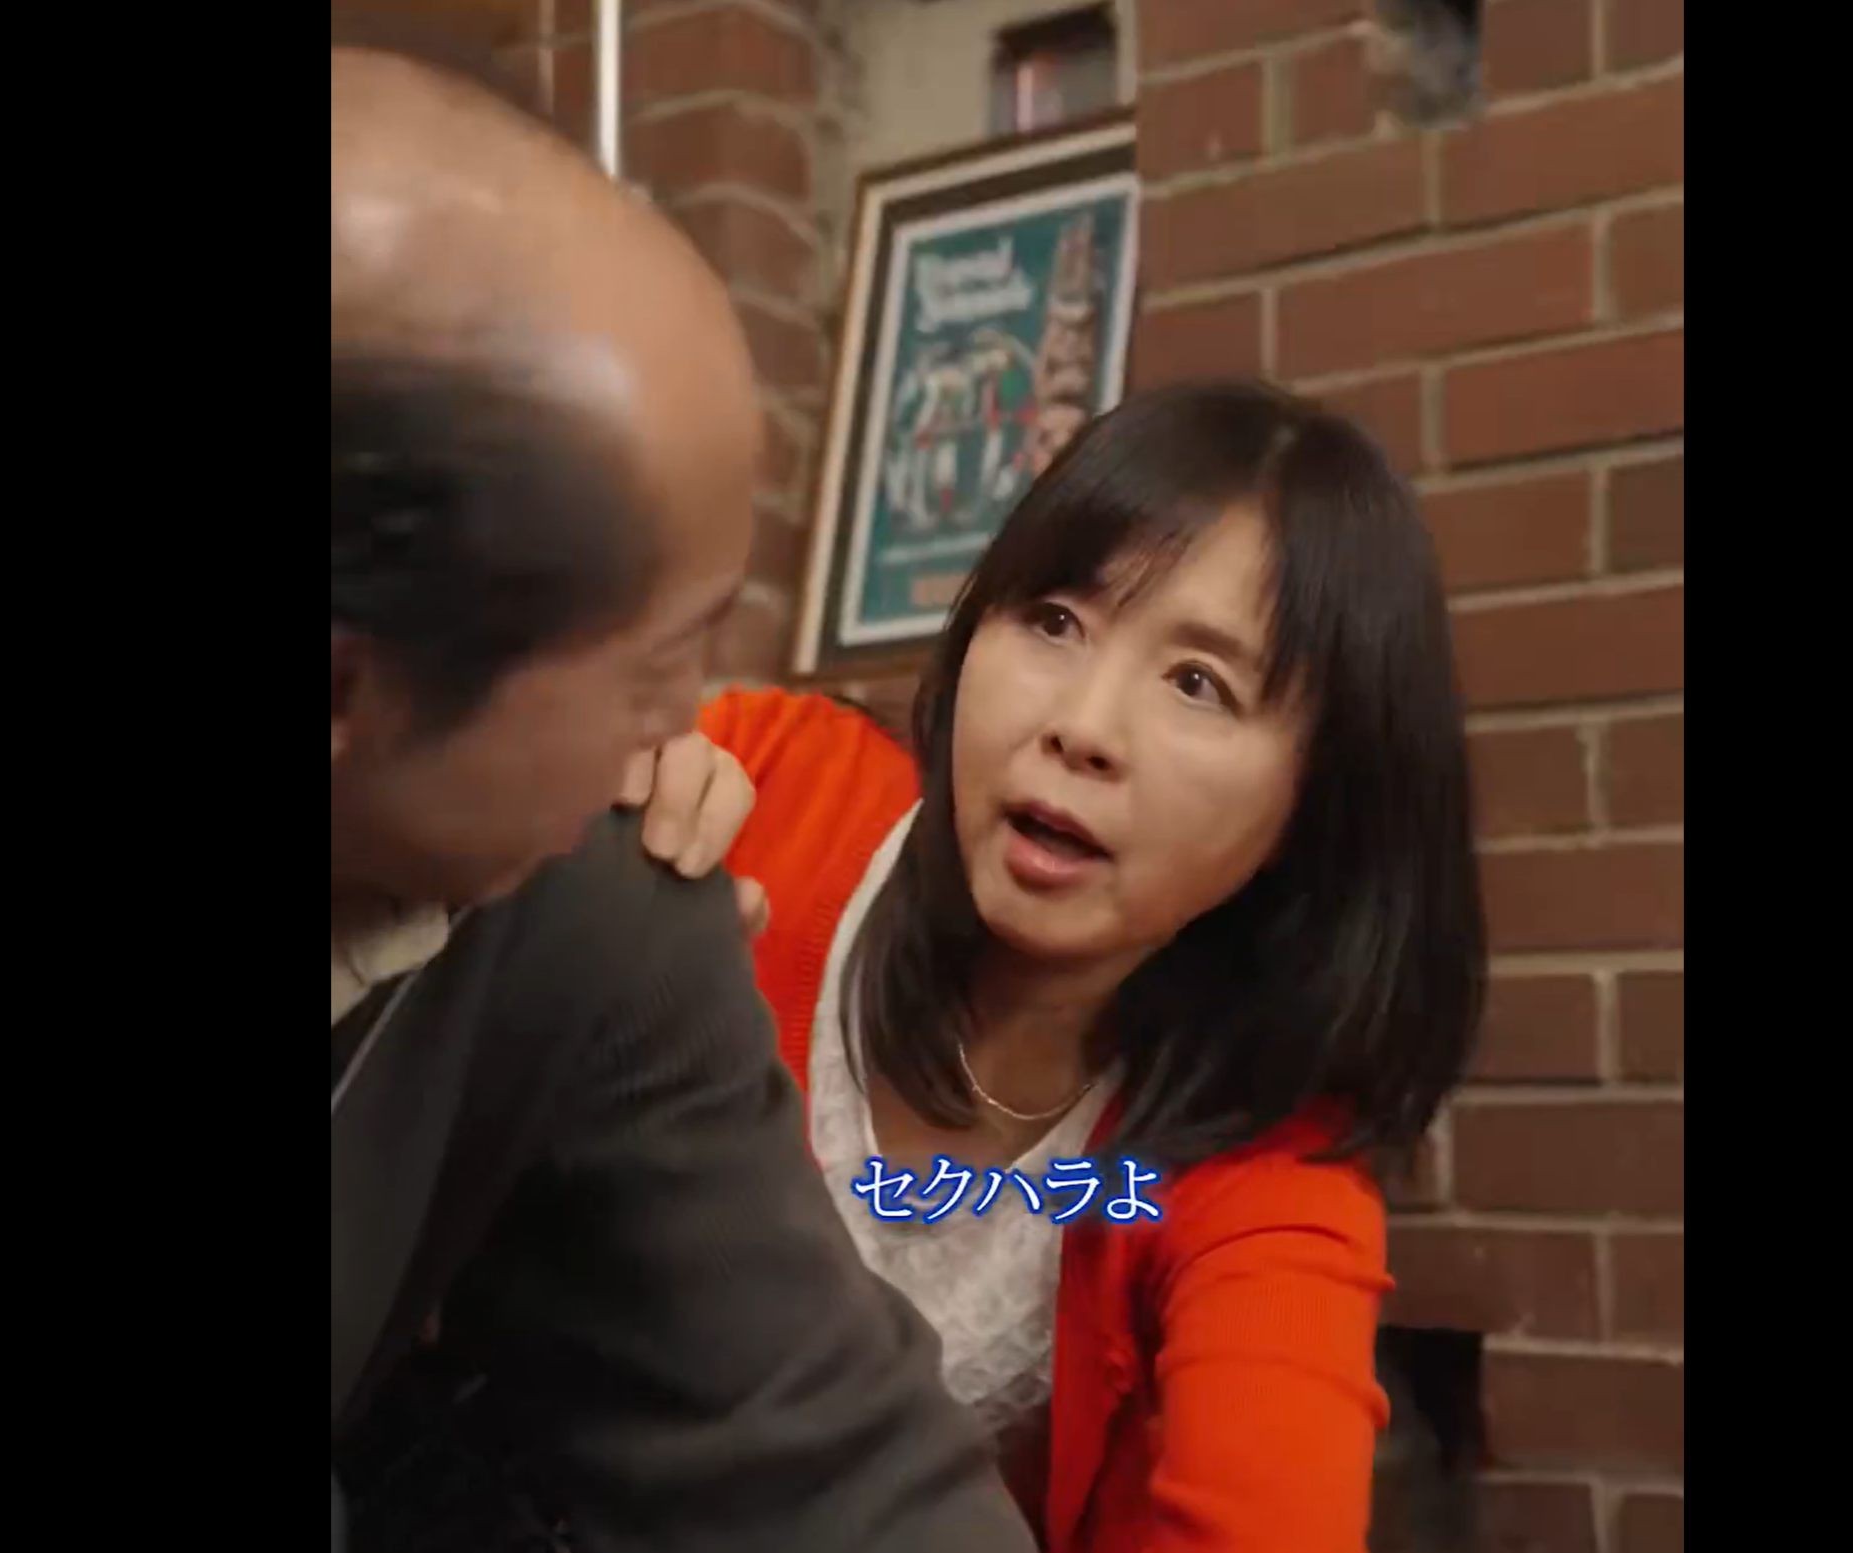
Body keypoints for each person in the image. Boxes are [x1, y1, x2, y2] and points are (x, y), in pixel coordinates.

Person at [328, 33, 1033, 1553]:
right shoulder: (772, 823)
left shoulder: (599, 884)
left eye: (1205, 689)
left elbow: (834, 1466)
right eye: (656, 663)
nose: (690, 727)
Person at [641, 378, 1488, 1552]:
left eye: (1198, 682)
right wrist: (579, 824)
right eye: (1053, 620)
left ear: (1315, 803)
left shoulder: (1259, 1178)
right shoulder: (769, 789)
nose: (1083, 724)